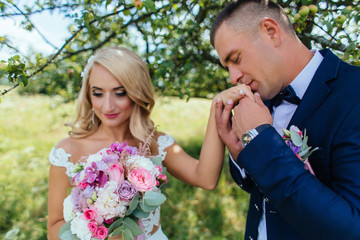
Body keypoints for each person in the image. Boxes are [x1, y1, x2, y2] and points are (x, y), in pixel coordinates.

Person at [47, 46, 251, 240]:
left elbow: (205, 178)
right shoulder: (68, 151)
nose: (108, 106)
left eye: (119, 93)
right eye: (98, 93)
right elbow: (54, 227)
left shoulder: (155, 143)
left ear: (136, 92)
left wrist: (217, 107)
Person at [210, 0, 360, 239]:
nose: (233, 77)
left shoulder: (354, 94)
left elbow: (351, 228)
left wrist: (260, 141)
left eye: (235, 59)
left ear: (271, 32)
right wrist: (239, 152)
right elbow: (256, 187)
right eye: (227, 66)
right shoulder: (262, 95)